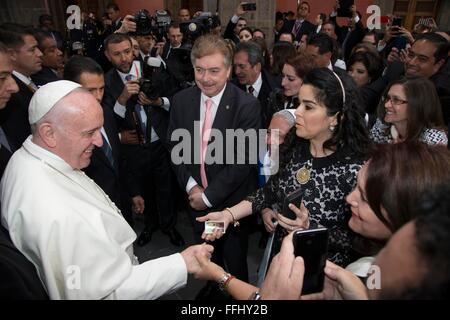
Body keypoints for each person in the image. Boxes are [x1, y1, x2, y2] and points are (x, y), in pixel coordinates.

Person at [0, 80, 214, 299]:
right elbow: (105, 294)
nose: (100, 141)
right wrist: (182, 263)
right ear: (49, 133)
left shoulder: (27, 157)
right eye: (90, 132)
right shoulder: (55, 211)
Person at [198, 68, 372, 268]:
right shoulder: (295, 147)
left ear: (335, 117)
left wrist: (309, 228)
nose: (297, 112)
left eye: (309, 107)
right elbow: (270, 192)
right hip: (283, 259)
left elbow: (360, 240)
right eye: (299, 103)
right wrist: (228, 215)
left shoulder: (357, 169)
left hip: (324, 274)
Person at [167, 34, 261, 297]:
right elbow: (175, 147)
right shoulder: (181, 100)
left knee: (234, 263)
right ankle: (212, 289)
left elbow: (244, 161)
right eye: (199, 70)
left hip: (230, 206)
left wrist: (207, 198)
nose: (205, 78)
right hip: (194, 200)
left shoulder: (248, 106)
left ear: (229, 70)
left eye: (214, 71)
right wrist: (192, 187)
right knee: (206, 255)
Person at [345, 142, 450, 277]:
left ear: (401, 213)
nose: (349, 198)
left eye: (364, 198)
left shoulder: (369, 275)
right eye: (355, 185)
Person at [0, 23, 43, 152]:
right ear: (12, 54)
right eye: (32, 50)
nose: (40, 53)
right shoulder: (10, 100)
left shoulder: (38, 78)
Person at [370, 77, 448, 146]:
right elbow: (369, 155)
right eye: (387, 98)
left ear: (416, 106)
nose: (386, 105)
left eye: (396, 100)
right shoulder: (382, 125)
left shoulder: (433, 140)